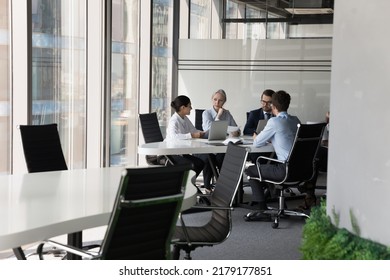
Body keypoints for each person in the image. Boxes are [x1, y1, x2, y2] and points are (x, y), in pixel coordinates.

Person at [244, 90, 301, 221]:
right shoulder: (296, 120)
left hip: (284, 170)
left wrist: (256, 136)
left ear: (273, 106)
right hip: (300, 169)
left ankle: (262, 210)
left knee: (251, 171)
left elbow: (257, 143)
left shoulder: (274, 122)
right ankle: (277, 201)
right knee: (267, 168)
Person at [200, 89, 240, 190]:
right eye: (215, 99)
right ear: (212, 100)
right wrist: (218, 116)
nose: (217, 102)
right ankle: (207, 187)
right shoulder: (206, 113)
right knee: (209, 158)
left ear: (224, 101)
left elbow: (235, 127)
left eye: (220, 100)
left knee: (226, 158)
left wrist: (236, 132)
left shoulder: (227, 113)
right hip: (209, 146)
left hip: (223, 146)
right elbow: (208, 130)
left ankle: (226, 187)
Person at [165, 95, 205, 178]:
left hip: (181, 152)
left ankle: (188, 184)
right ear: (183, 107)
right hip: (172, 154)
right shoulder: (174, 120)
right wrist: (192, 135)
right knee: (193, 165)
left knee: (200, 163)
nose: (191, 108)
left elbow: (193, 130)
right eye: (189, 106)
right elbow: (174, 137)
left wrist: (203, 133)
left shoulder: (184, 118)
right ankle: (185, 184)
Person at [297, 111, 330, 209]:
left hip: (337, 158)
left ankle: (309, 189)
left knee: (316, 154)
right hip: (326, 157)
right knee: (314, 157)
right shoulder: (328, 126)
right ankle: (309, 191)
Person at [243, 89, 275, 164]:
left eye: (268, 102)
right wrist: (258, 132)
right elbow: (246, 130)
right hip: (258, 148)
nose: (265, 104)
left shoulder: (277, 115)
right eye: (263, 101)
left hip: (272, 146)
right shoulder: (254, 114)